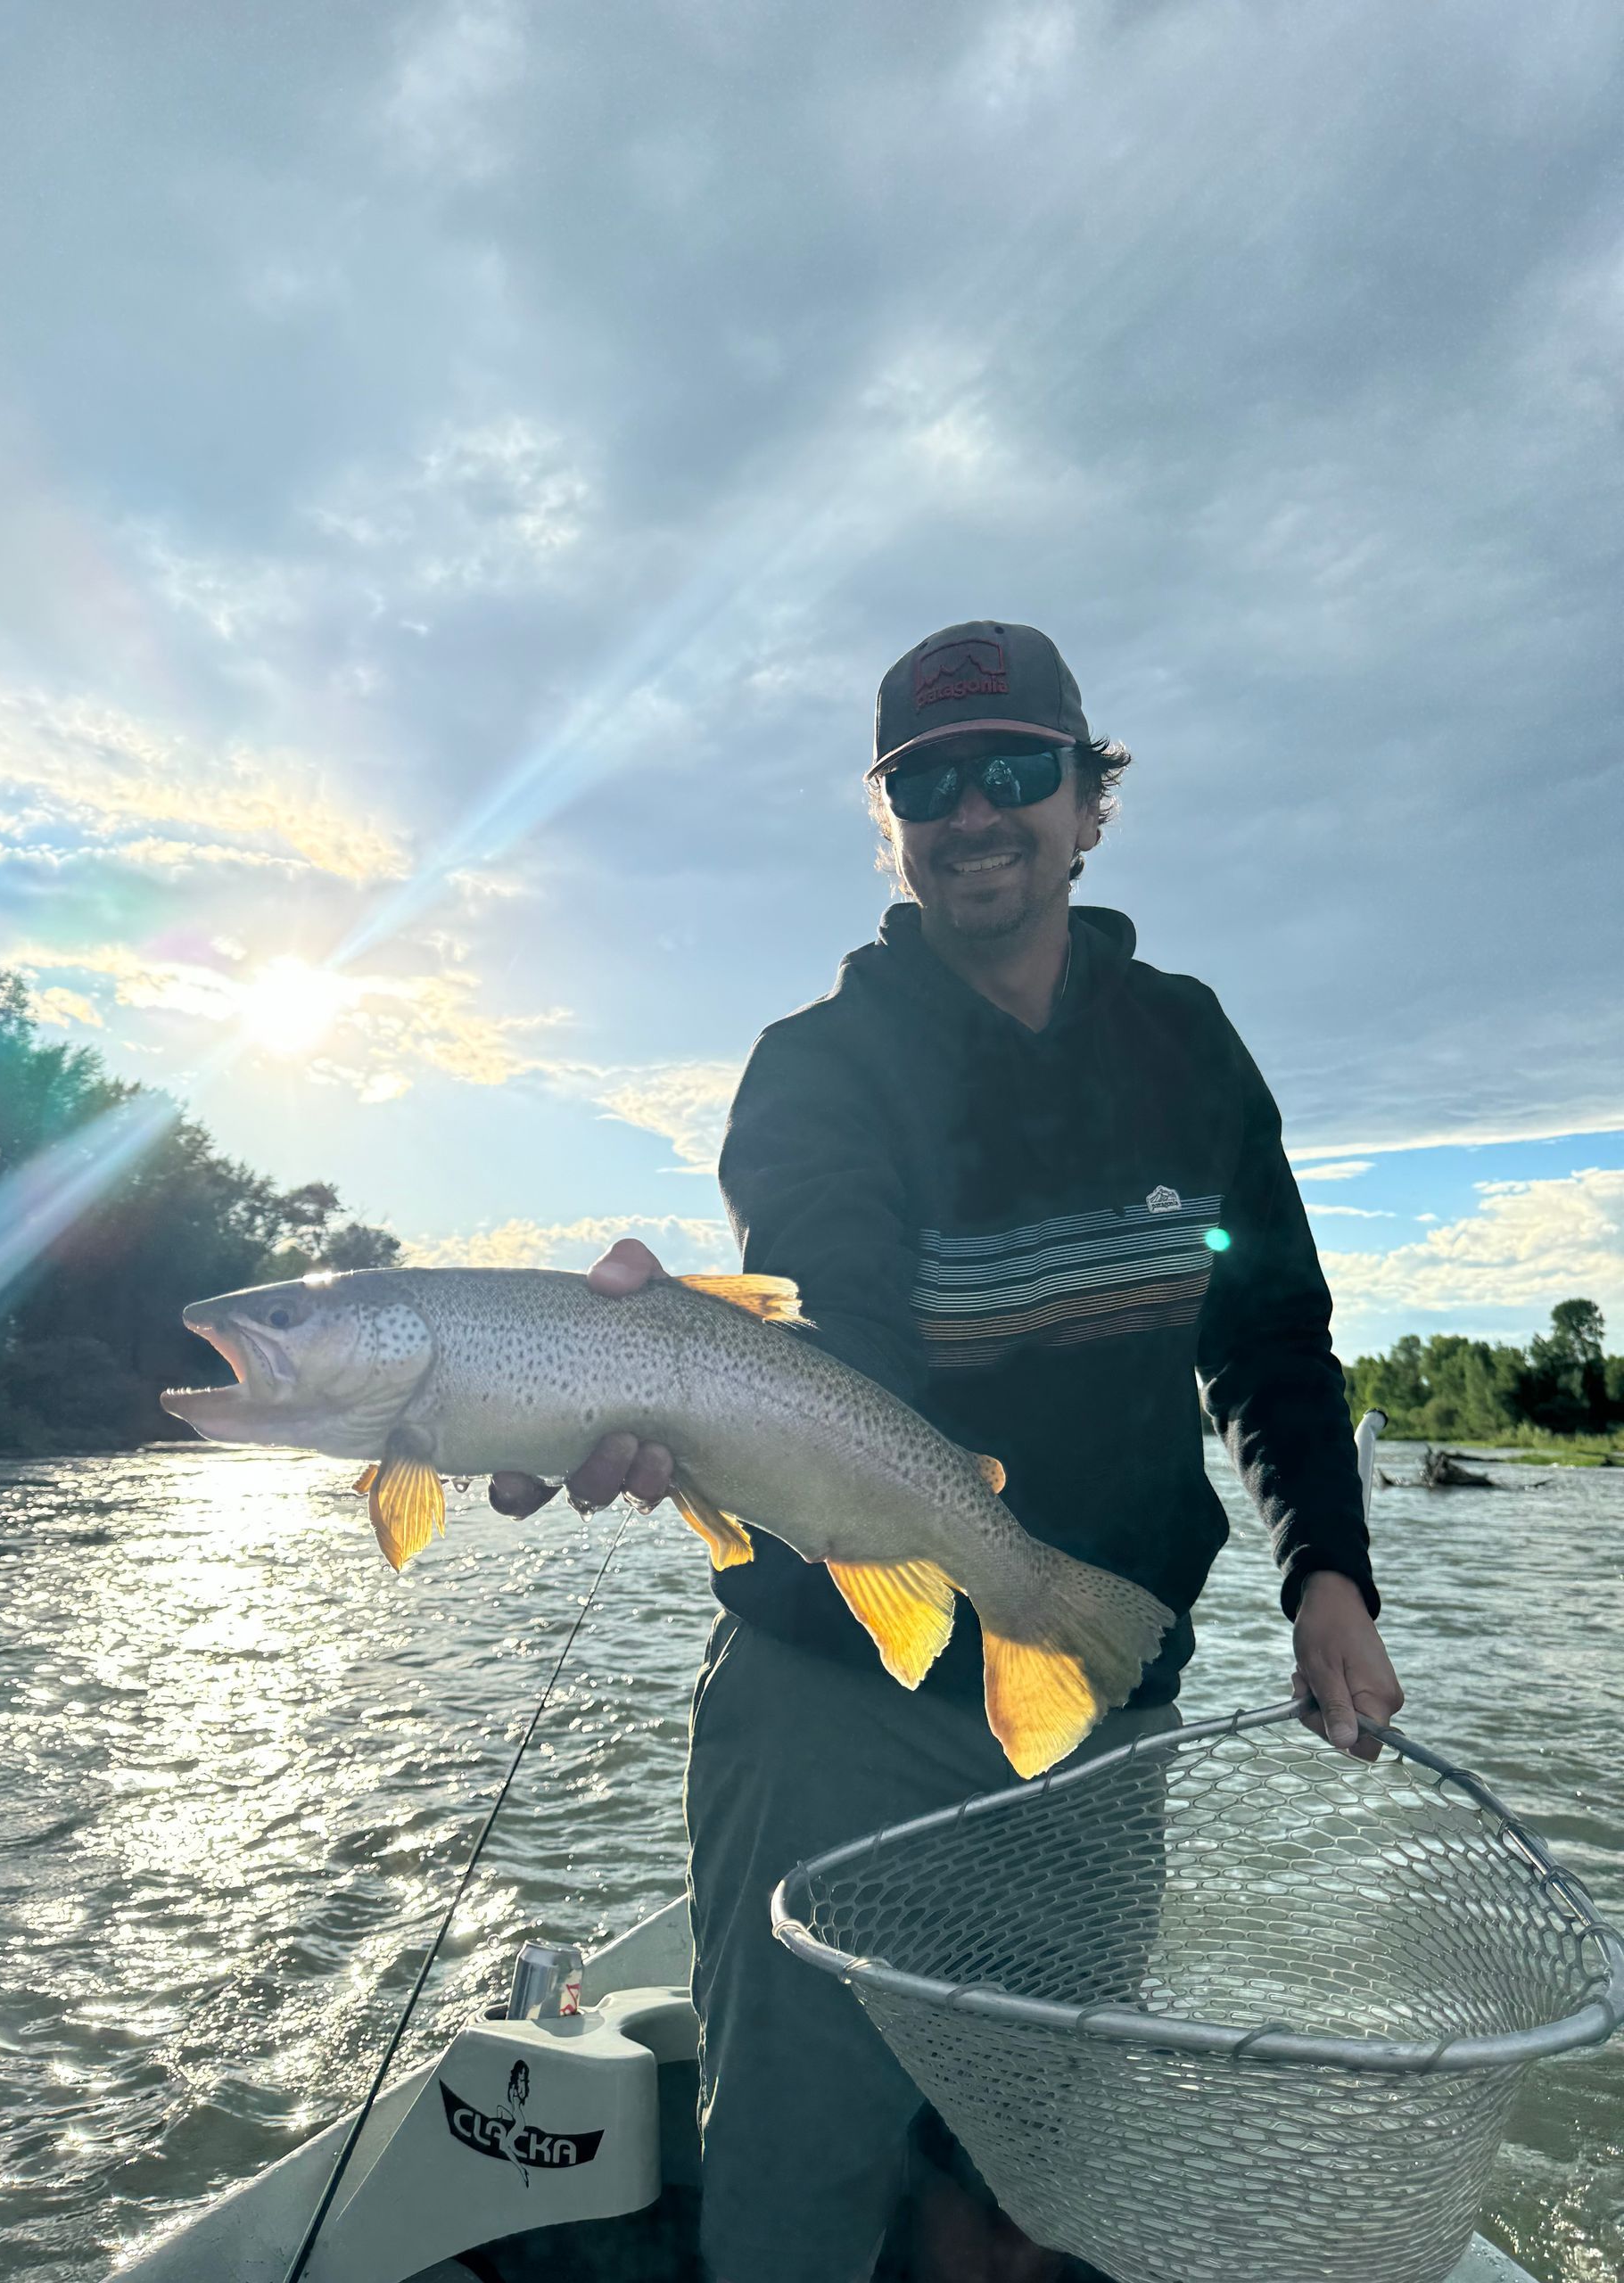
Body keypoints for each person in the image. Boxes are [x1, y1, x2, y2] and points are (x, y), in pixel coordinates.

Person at [489, 619, 1405, 2283]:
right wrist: (658, 1376)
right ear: (892, 823)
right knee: (797, 2164)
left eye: (1014, 771)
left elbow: (1271, 1336)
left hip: (1108, 1690)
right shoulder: (819, 1067)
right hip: (839, 1701)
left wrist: (1325, 1573)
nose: (974, 812)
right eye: (928, 783)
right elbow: (842, 1341)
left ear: (1088, 799)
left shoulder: (1190, 1042)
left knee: (1048, 2158)